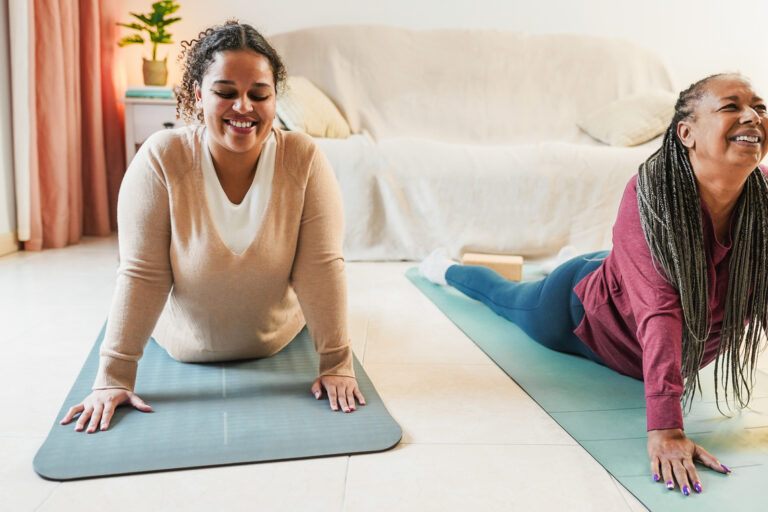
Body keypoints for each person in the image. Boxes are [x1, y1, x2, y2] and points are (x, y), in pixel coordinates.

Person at [420, 73, 768, 497]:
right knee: (506, 298)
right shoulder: (653, 196)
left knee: (629, 267)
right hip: (574, 311)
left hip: (633, 280)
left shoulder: (762, 201)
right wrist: (666, 429)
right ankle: (444, 268)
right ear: (687, 133)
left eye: (760, 107)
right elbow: (660, 312)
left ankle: (592, 259)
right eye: (731, 106)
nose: (752, 116)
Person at [61, 21, 365, 434]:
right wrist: (113, 377)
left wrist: (337, 364)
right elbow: (142, 274)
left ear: (276, 100)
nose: (243, 107)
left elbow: (322, 267)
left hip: (274, 337)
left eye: (259, 95)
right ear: (197, 95)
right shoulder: (161, 158)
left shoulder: (303, 158)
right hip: (183, 344)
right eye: (225, 93)